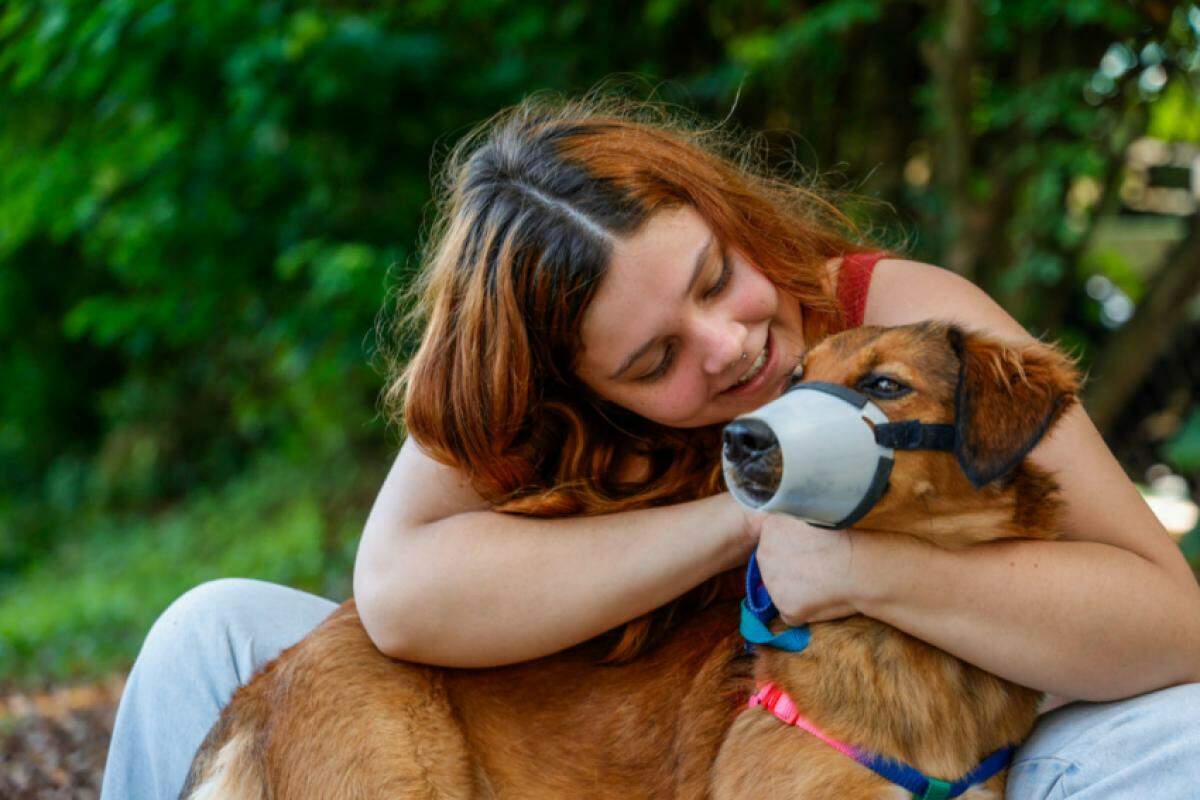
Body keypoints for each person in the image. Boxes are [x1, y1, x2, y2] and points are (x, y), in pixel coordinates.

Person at [101, 91, 1200, 799]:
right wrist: (746, 515)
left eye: (717, 277)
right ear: (571, 386)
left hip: (951, 737)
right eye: (651, 361)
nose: (730, 346)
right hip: (603, 751)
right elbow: (396, 590)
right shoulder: (521, 389)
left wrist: (867, 564)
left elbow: (1171, 622)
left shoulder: (898, 323)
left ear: (725, 212)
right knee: (208, 634)